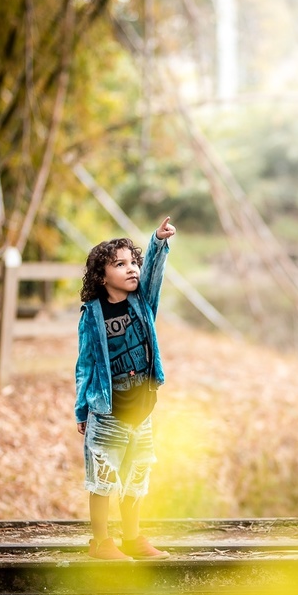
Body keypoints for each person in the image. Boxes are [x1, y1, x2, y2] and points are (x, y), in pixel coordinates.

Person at [75, 216, 176, 560]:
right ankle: (101, 543)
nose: (132, 269)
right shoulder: (92, 314)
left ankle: (133, 538)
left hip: (141, 409)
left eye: (133, 262)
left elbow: (154, 276)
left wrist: (158, 243)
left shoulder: (142, 303)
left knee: (136, 478)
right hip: (108, 411)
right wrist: (81, 409)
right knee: (103, 480)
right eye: (121, 264)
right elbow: (85, 364)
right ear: (102, 277)